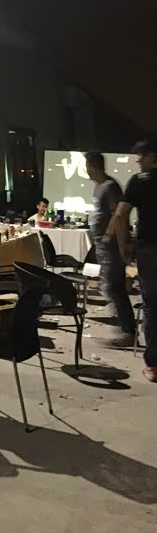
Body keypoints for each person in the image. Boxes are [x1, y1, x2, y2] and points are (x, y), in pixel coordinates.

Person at [109, 137, 157, 382]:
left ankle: (154, 365)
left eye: (142, 155)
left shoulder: (140, 181)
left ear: (153, 156)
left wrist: (124, 246)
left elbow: (120, 215)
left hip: (150, 249)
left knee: (152, 304)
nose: (138, 160)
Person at [85, 151, 135, 347]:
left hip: (109, 245)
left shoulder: (110, 186)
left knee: (116, 286)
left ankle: (128, 331)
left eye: (87, 167)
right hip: (101, 244)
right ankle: (123, 326)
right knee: (110, 285)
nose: (87, 171)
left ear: (93, 166)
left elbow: (118, 215)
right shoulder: (99, 187)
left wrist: (110, 236)